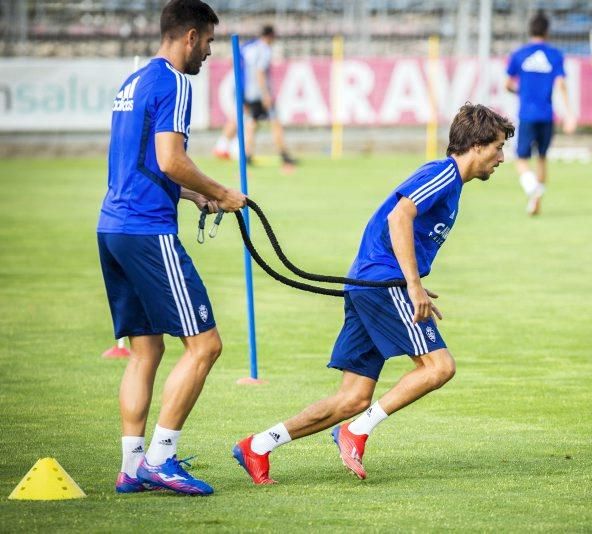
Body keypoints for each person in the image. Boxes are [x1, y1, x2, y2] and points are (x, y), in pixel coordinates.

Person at [232, 103, 515, 484]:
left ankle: (258, 446)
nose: (501, 157)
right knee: (439, 367)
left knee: (352, 399)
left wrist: (412, 277)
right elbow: (399, 216)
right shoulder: (444, 174)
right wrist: (410, 284)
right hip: (383, 282)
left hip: (373, 283)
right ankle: (356, 431)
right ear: (477, 145)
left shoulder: (451, 185)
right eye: (497, 147)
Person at [97, 0, 246, 496]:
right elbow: (170, 157)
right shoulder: (175, 82)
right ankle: (162, 459)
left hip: (113, 228)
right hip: (146, 231)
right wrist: (222, 191)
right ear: (189, 37)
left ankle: (131, 464)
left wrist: (194, 193)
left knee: (146, 350)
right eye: (207, 41)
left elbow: (138, 161)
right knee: (205, 345)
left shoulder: (132, 81)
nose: (208, 52)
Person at [506, 11, 576, 216]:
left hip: (526, 114)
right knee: (542, 158)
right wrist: (569, 114)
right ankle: (536, 199)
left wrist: (522, 91)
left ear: (530, 30)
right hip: (547, 115)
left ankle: (531, 188)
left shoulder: (519, 54)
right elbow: (561, 83)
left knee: (520, 158)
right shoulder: (555, 55)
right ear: (547, 31)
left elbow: (507, 84)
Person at [213, 25, 298, 168]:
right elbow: (260, 72)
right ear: (270, 36)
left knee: (252, 122)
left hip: (245, 90)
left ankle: (247, 154)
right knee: (274, 122)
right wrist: (266, 94)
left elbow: (231, 60)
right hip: (258, 93)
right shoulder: (264, 49)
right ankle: (284, 155)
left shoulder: (248, 46)